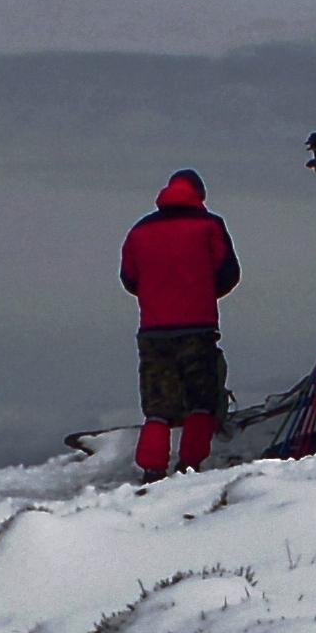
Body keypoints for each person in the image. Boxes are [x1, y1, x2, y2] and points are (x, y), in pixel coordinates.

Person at [119, 168, 240, 476]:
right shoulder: (210, 226)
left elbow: (129, 279)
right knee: (201, 400)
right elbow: (228, 274)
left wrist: (156, 296)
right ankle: (189, 464)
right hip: (198, 327)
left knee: (158, 406)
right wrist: (203, 293)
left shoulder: (139, 230)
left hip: (153, 331)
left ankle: (152, 469)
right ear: (199, 195)